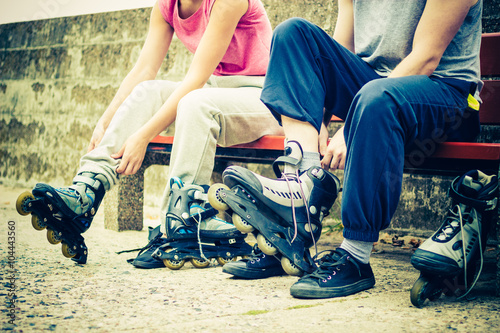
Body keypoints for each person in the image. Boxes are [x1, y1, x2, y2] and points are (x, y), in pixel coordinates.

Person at [220, 0, 486, 298]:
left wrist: (349, 127)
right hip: (375, 89)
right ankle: (298, 205)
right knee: (293, 35)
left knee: (376, 97)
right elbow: (332, 54)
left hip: (445, 97)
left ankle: (355, 257)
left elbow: (426, 58)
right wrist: (317, 116)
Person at [17, 0, 284, 267]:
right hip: (217, 93)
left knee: (196, 102)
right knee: (149, 91)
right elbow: (144, 70)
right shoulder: (166, 6)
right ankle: (86, 191)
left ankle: (183, 218)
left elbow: (195, 80)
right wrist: (105, 121)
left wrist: (143, 135)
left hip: (262, 97)